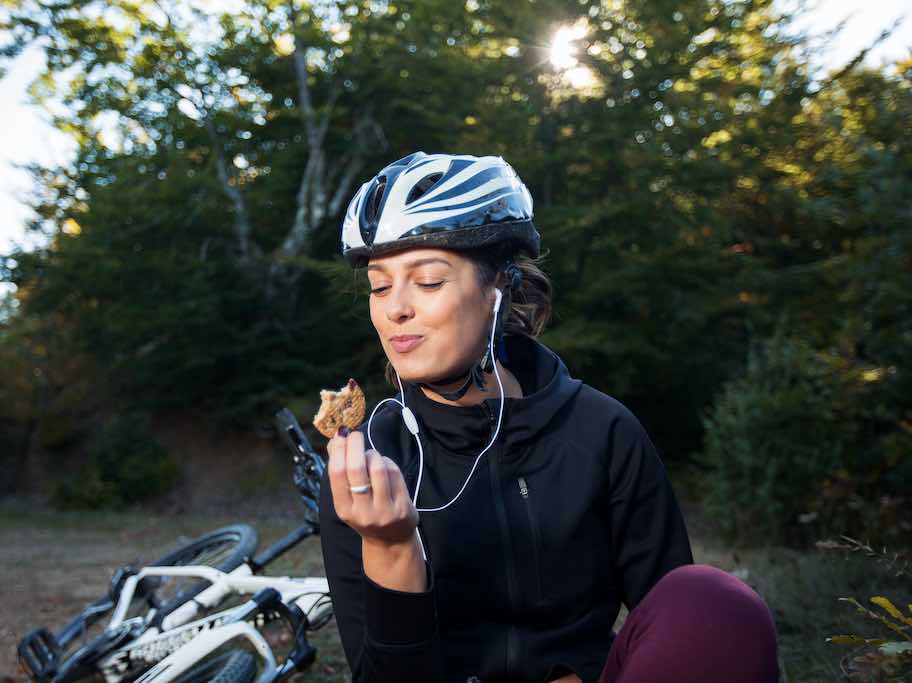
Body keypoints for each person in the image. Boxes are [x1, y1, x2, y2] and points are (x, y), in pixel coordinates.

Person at [318, 151, 780, 683]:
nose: (395, 307)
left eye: (427, 281)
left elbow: (674, 624)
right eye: (380, 286)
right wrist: (391, 545)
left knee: (713, 602)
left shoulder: (601, 431)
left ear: (498, 291)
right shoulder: (366, 461)